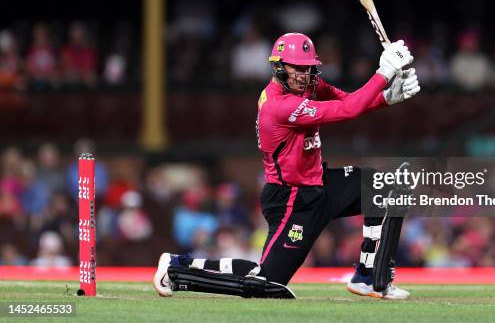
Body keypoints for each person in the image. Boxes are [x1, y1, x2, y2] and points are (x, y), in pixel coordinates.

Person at [153, 33, 420, 300]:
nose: (303, 75)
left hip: (319, 184)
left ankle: (368, 277)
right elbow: (349, 109)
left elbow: (348, 101)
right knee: (266, 282)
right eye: (296, 68)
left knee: (380, 187)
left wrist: (386, 97)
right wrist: (384, 72)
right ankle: (178, 267)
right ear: (279, 67)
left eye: (307, 68)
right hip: (291, 200)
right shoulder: (281, 106)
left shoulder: (308, 87)